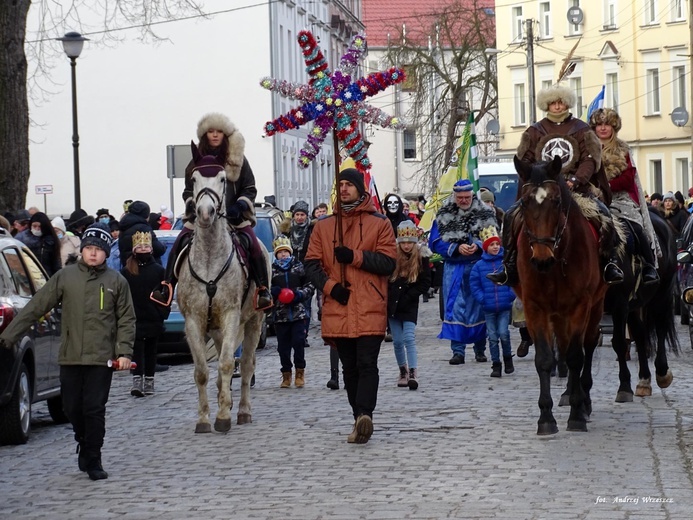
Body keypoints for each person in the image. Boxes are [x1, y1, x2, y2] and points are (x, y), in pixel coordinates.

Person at [0, 222, 135, 481]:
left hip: (101, 358)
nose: (93, 253)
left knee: (94, 408)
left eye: (99, 249)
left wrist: (124, 353)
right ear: (82, 250)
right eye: (89, 248)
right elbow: (36, 306)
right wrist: (9, 335)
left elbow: (127, 319)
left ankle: (93, 458)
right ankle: (82, 440)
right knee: (73, 408)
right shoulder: (65, 277)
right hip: (71, 356)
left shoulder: (116, 281)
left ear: (107, 252)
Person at [488, 83, 624, 287]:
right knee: (510, 217)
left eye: (560, 102)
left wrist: (575, 180)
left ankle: (609, 263)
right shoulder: (534, 131)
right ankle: (509, 265)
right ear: (546, 105)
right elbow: (525, 158)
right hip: (540, 190)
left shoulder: (582, 129)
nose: (557, 107)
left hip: (575, 190)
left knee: (603, 214)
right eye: (553, 103)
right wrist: (532, 180)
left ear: (567, 103)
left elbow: (590, 159)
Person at [304, 168, 396, 444]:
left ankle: (365, 413)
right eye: (340, 185)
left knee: (368, 363)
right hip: (338, 306)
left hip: (370, 305)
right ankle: (359, 418)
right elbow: (311, 265)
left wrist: (354, 256)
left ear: (360, 188)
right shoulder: (323, 226)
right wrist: (332, 288)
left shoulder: (379, 224)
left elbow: (388, 263)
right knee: (349, 368)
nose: (344, 189)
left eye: (349, 185)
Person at [151, 112, 272, 310]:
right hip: (202, 218)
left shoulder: (238, 159)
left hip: (234, 217)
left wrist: (240, 205)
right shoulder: (195, 161)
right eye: (210, 131)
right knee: (179, 242)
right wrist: (191, 203)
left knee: (254, 245)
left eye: (219, 131)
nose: (215, 135)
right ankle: (167, 286)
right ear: (204, 135)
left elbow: (249, 187)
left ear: (225, 134)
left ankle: (262, 289)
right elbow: (188, 190)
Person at [588, 108, 659, 284]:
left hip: (619, 199)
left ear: (614, 127)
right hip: (591, 197)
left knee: (635, 227)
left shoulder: (623, 150)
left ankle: (649, 265)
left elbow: (628, 179)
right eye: (599, 125)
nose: (603, 128)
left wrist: (606, 187)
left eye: (607, 124)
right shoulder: (586, 149)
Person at [428, 179, 496, 365]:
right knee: (455, 308)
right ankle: (457, 351)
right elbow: (434, 242)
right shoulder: (443, 214)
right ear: (455, 196)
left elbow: (494, 238)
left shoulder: (485, 213)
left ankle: (480, 349)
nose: (464, 201)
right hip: (454, 268)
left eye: (467, 197)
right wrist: (456, 249)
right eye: (460, 198)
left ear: (472, 195)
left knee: (479, 307)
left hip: (478, 266)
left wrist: (479, 246)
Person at [121, 231, 167, 397]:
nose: (143, 249)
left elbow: (166, 294)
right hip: (135, 317)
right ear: (134, 250)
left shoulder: (158, 270)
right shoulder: (126, 271)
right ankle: (137, 380)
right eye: (139, 246)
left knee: (151, 350)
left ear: (151, 249)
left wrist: (162, 313)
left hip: (153, 316)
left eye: (146, 246)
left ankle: (149, 380)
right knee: (137, 350)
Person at [387, 221, 431, 390]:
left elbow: (425, 282)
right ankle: (402, 370)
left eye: (409, 242)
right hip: (393, 306)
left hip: (409, 305)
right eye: (403, 242)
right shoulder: (392, 257)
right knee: (397, 341)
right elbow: (386, 279)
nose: (406, 246)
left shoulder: (421, 257)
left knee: (409, 338)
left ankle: (413, 371)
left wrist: (411, 295)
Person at [470, 228, 516, 377]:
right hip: (488, 307)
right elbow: (474, 284)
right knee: (493, 337)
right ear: (486, 247)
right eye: (492, 244)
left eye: (497, 244)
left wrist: (510, 296)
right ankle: (496, 364)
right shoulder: (478, 266)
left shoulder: (506, 263)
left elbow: (514, 280)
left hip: (504, 306)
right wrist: (482, 298)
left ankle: (508, 358)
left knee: (503, 333)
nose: (495, 247)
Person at [270, 236, 314, 388]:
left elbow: (309, 285)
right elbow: (264, 290)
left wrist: (300, 294)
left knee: (298, 342)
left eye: (285, 252)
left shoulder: (298, 267)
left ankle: (300, 372)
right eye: (280, 252)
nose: (283, 255)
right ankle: (286, 374)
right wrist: (273, 292)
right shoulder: (272, 270)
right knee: (283, 347)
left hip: (298, 313)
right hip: (280, 315)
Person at [118, 200, 166, 265]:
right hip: (145, 268)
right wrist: (163, 245)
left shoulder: (124, 226)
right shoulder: (143, 228)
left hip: (128, 267)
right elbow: (158, 249)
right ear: (146, 215)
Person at [16, 211, 61, 277]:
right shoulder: (21, 238)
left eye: (40, 227)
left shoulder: (51, 241)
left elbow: (56, 264)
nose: (37, 229)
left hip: (46, 276)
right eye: (34, 226)